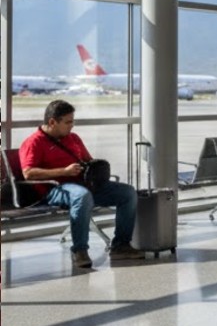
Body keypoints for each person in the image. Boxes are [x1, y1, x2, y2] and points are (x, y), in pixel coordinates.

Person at [18, 100, 144, 269]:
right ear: (52, 122)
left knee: (127, 192)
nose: (72, 126)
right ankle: (79, 251)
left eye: (73, 121)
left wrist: (95, 169)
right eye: (68, 122)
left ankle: (121, 245)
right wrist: (64, 171)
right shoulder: (34, 142)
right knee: (82, 196)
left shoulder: (73, 138)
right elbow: (29, 173)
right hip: (55, 188)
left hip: (83, 184)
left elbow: (87, 160)